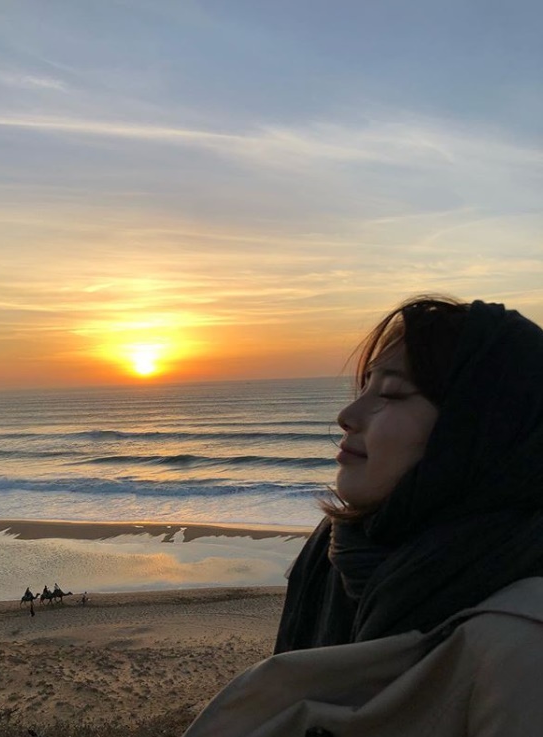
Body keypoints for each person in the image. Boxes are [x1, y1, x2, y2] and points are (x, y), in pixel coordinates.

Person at [183, 296, 543, 737]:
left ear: (478, 429)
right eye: (365, 388)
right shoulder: (337, 552)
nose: (347, 416)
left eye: (390, 393)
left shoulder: (523, 645)